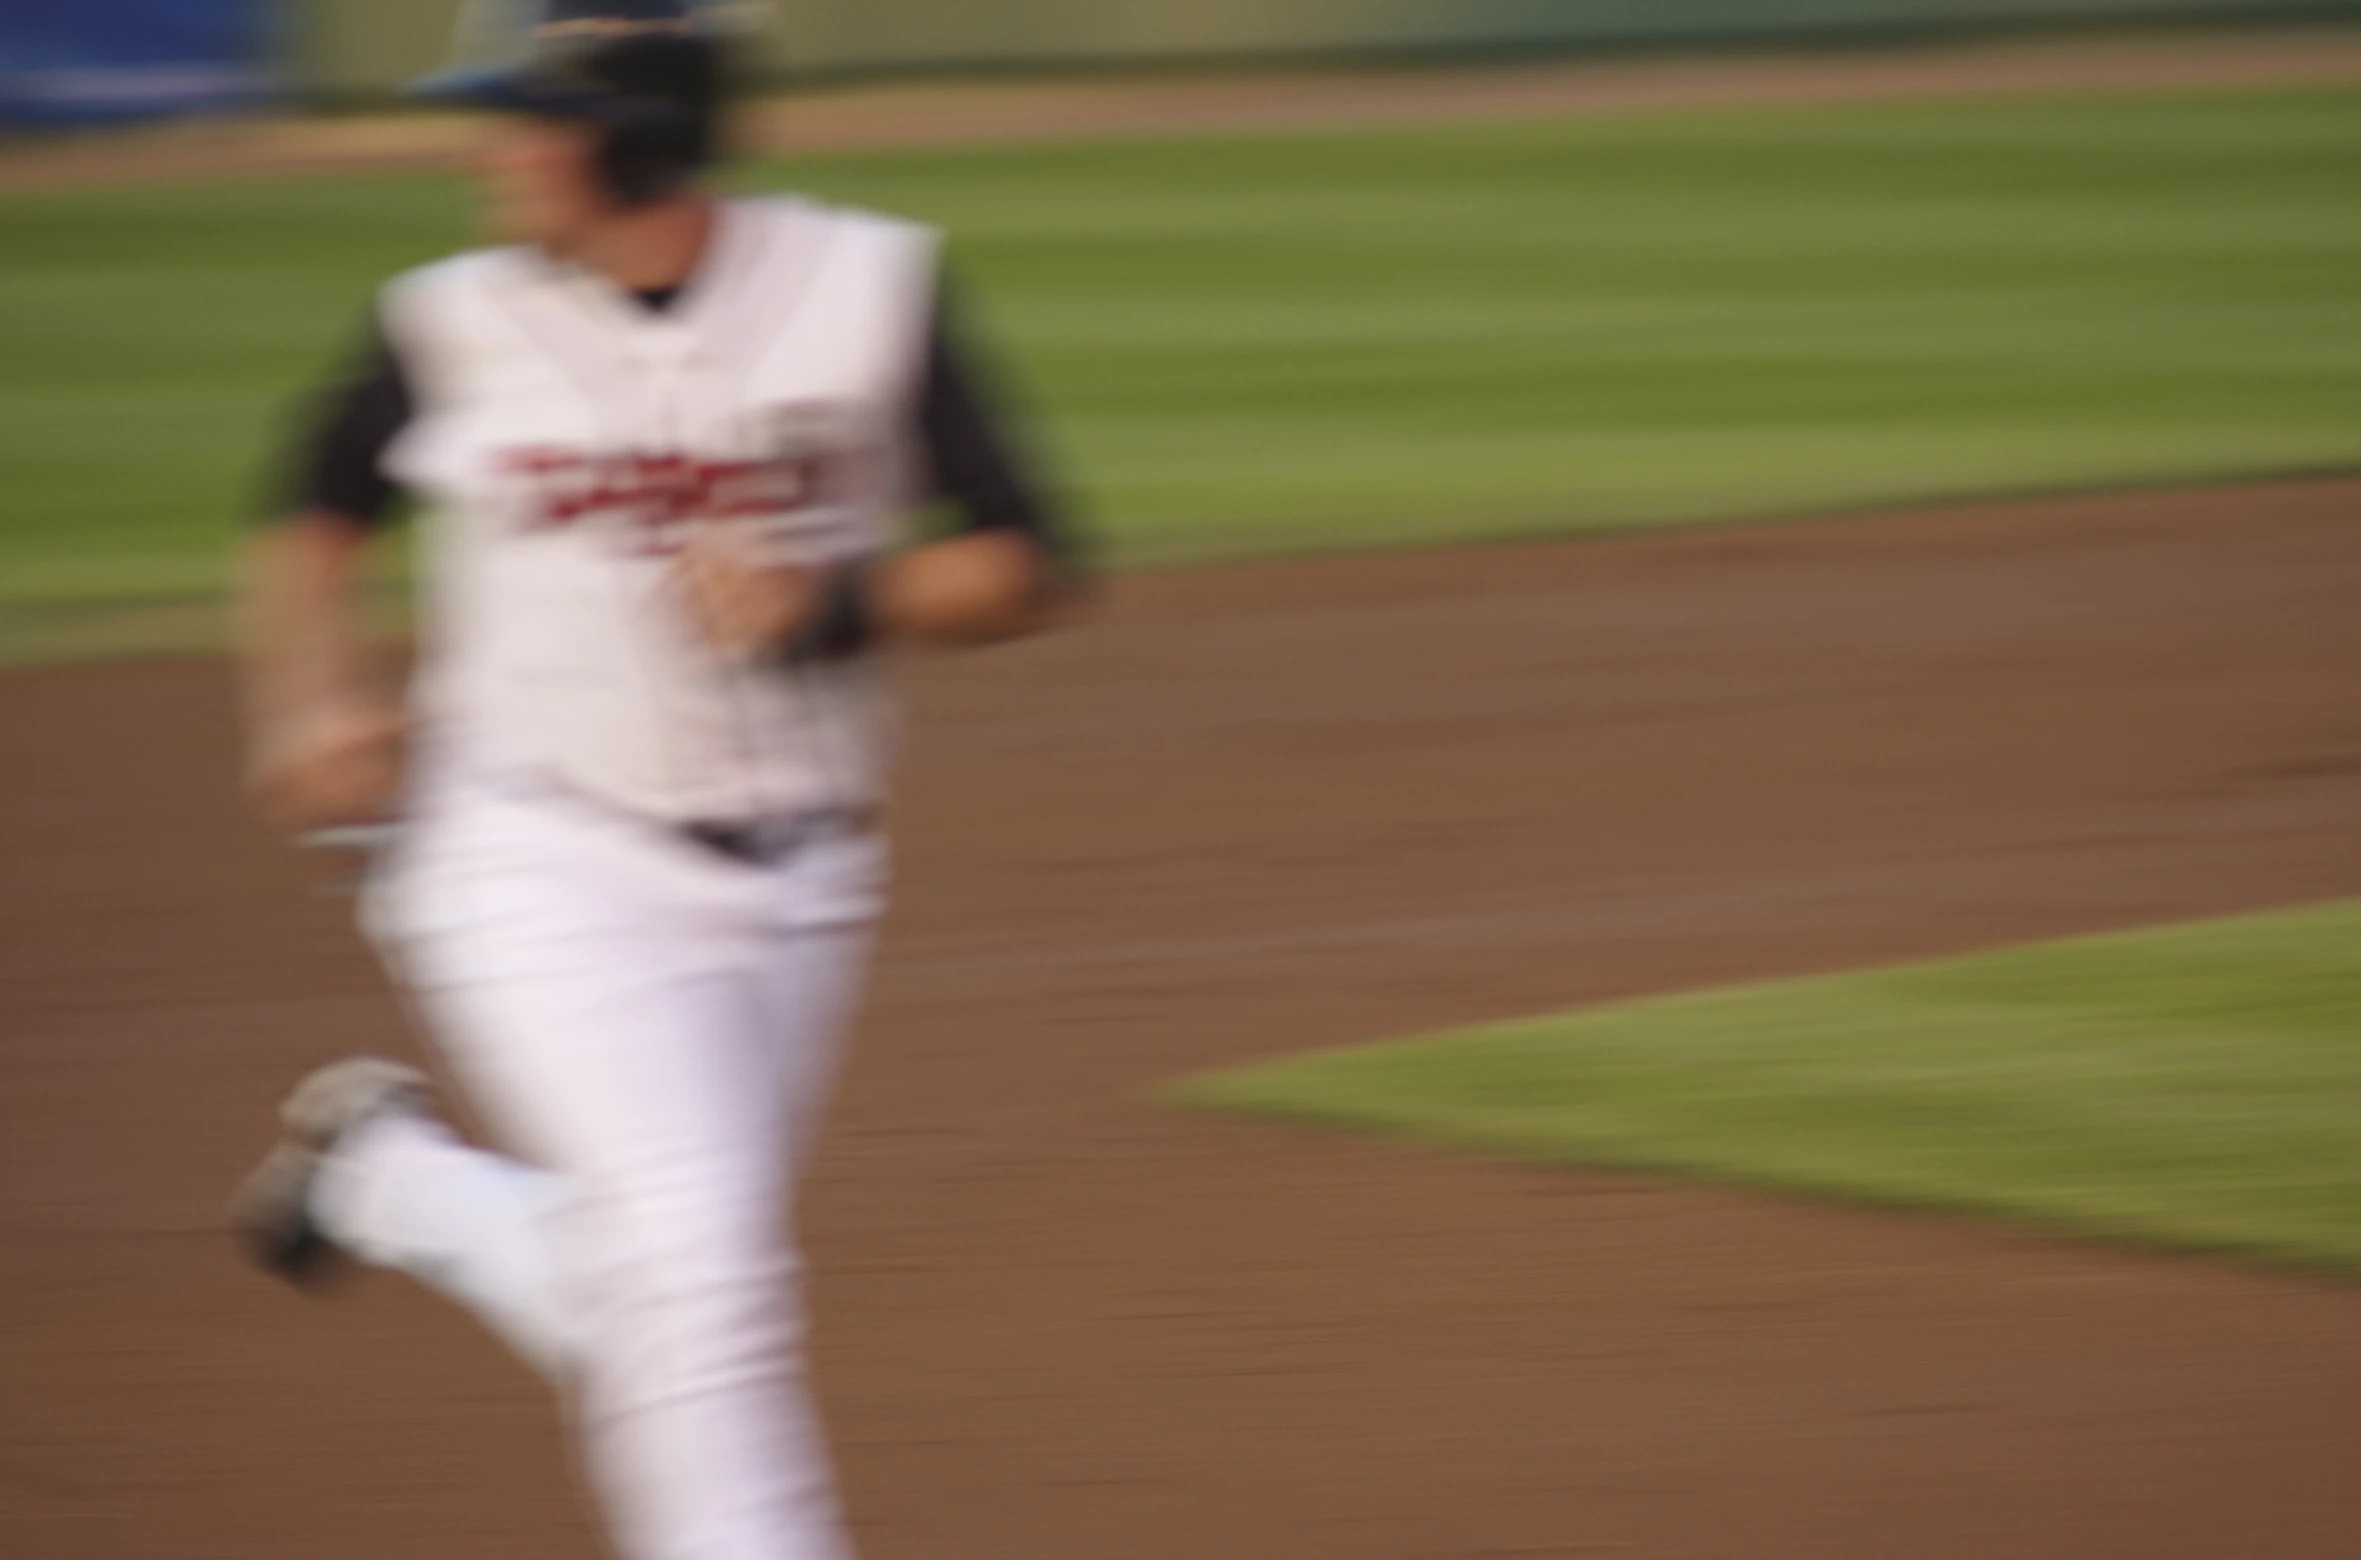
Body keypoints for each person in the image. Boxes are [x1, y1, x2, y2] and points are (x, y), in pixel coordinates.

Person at [226, 5, 1080, 1558]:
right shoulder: (452, 320)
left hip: (806, 880)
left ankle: (391, 1183)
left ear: (633, 136)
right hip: (526, 844)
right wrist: (307, 697)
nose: (485, 150)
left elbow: (1035, 559)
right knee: (707, 1282)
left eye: (520, 117)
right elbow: (311, 506)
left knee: (663, 1278)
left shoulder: (864, 288)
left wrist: (838, 606)